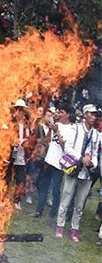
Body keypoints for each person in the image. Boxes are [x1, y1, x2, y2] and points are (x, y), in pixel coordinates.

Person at [55, 104, 100, 242]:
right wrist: (81, 159)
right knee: (65, 200)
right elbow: (67, 148)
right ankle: (60, 227)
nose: (94, 117)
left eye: (95, 114)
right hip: (74, 169)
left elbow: (95, 153)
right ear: (85, 114)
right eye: (91, 114)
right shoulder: (76, 128)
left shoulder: (97, 134)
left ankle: (75, 229)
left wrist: (92, 163)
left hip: (86, 174)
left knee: (80, 205)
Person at [35, 104, 71, 219]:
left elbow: (65, 146)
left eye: (62, 112)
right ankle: (39, 211)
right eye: (59, 112)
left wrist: (57, 131)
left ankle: (53, 214)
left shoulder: (71, 129)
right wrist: (51, 130)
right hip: (49, 160)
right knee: (43, 186)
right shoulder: (57, 124)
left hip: (59, 164)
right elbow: (48, 141)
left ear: (68, 114)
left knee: (56, 190)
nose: (59, 114)